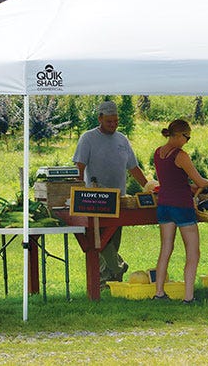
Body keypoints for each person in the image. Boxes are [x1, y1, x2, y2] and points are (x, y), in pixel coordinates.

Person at [73, 100, 148, 286]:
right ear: (100, 118)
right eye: (109, 122)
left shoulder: (122, 139)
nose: (113, 125)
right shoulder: (88, 138)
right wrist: (78, 192)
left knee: (113, 241)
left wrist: (150, 187)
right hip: (96, 200)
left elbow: (134, 168)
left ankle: (112, 278)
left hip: (120, 199)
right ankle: (112, 272)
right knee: (100, 241)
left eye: (116, 121)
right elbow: (79, 168)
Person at [151, 119, 208, 303]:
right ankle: (188, 297)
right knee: (193, 251)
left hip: (164, 205)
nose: (187, 141)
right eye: (187, 137)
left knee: (165, 248)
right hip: (181, 205)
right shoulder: (180, 155)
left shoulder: (159, 152)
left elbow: (172, 179)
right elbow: (199, 182)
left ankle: (159, 293)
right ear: (179, 135)